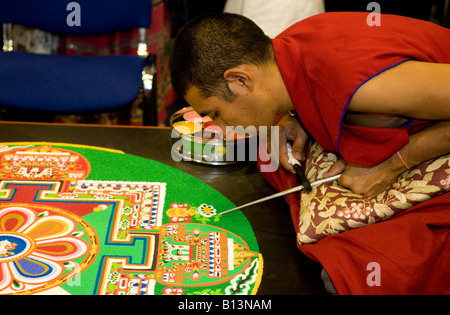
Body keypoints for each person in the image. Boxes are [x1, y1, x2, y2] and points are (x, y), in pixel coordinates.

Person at [169, 12, 450, 197]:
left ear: (241, 80)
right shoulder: (287, 48)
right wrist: (294, 115)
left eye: (215, 113)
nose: (217, 126)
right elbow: (309, 83)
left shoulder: (353, 81)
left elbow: (332, 80)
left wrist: (391, 166)